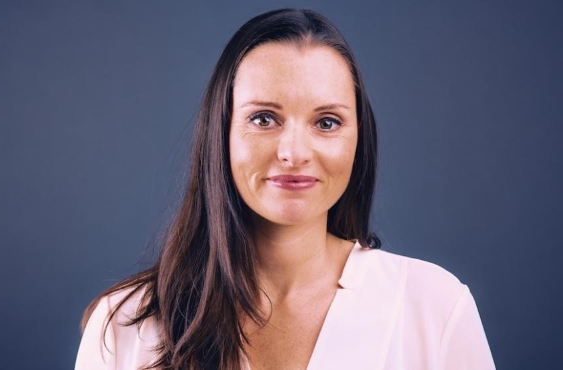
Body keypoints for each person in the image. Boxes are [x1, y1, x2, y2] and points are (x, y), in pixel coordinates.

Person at [75, 8, 495, 370]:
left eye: (327, 122)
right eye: (263, 119)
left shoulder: (435, 307)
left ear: (357, 141)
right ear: (220, 133)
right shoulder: (125, 322)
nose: (294, 153)